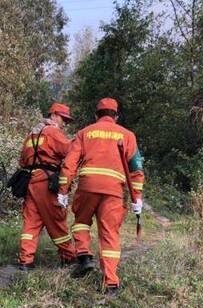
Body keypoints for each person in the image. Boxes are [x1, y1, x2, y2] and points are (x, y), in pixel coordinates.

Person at [61, 98, 145, 295]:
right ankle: (111, 283)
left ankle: (84, 256)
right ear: (116, 116)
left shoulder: (84, 133)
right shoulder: (128, 135)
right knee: (109, 233)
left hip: (88, 186)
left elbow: (69, 163)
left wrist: (63, 190)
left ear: (95, 115)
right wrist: (137, 197)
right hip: (114, 191)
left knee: (81, 221)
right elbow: (136, 168)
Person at [17, 102, 77, 270]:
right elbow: (70, 150)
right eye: (64, 119)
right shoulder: (53, 132)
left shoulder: (31, 135)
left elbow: (22, 160)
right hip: (46, 182)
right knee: (56, 220)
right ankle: (69, 257)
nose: (65, 123)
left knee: (31, 222)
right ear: (54, 115)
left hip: (30, 182)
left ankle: (25, 261)